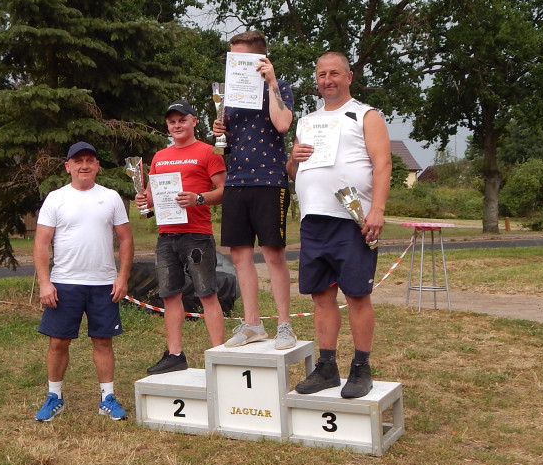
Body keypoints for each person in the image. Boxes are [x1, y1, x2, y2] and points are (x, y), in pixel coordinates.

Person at [287, 52, 391, 399]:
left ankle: (361, 368)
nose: (327, 80)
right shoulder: (307, 121)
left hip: (352, 219)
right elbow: (293, 172)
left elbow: (383, 163)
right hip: (314, 219)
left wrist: (376, 209)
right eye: (321, 75)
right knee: (321, 296)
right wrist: (293, 159)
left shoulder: (366, 115)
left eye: (334, 73)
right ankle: (327, 366)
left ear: (348, 77)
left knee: (358, 295)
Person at [33, 142, 134, 422]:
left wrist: (122, 276)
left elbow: (125, 238)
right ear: (68, 166)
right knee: (58, 342)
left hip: (103, 284)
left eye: (90, 160)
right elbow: (41, 242)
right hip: (64, 283)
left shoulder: (111, 197)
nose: (84, 165)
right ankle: (54, 397)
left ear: (97, 166)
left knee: (103, 341)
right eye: (78, 161)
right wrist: (45, 282)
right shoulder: (55, 199)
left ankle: (107, 398)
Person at [211, 30, 297, 349]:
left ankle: (285, 325)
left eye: (241, 58)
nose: (235, 64)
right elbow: (232, 143)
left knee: (273, 253)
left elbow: (283, 124)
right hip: (236, 180)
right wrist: (222, 131)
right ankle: (252, 324)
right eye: (231, 58)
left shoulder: (280, 88)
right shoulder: (233, 95)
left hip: (269, 178)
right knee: (239, 254)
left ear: (259, 59)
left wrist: (272, 82)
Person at [136, 100, 227, 373]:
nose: (177, 125)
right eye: (172, 121)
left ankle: (218, 355)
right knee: (169, 295)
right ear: (167, 125)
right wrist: (143, 199)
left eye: (182, 120)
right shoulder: (159, 156)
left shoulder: (209, 152)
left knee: (207, 293)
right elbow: (150, 199)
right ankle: (175, 354)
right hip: (166, 235)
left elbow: (225, 190)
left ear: (194, 121)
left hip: (197, 235)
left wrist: (198, 198)